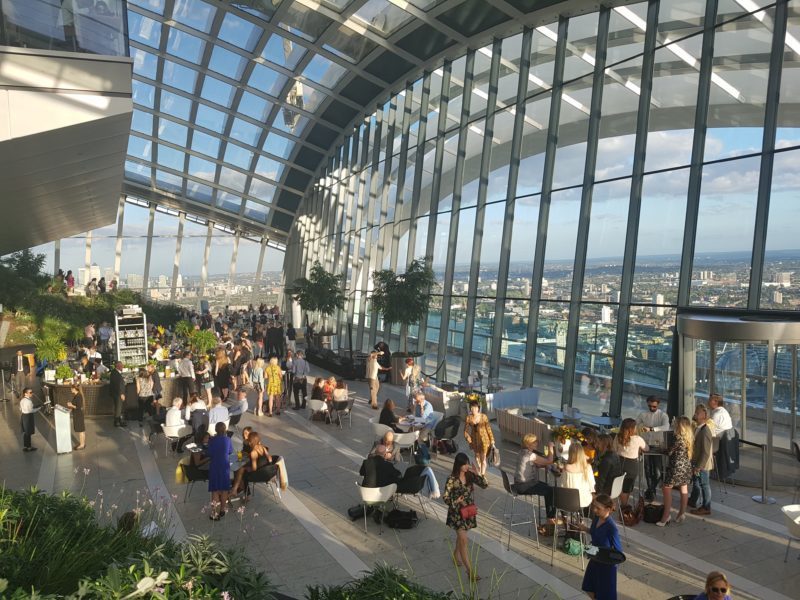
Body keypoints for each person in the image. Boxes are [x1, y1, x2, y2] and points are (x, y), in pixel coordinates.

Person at [443, 452, 488, 582]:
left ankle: (456, 555)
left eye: (467, 463)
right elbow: (445, 497)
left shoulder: (470, 475)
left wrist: (478, 473)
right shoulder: (451, 479)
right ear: (458, 465)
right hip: (456, 513)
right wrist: (456, 500)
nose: (467, 466)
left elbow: (485, 485)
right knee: (464, 540)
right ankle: (470, 572)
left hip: (468, 511)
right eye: (464, 464)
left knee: (461, 538)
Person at [580, 494, 623, 600]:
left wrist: (612, 566)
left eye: (598, 508)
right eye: (594, 506)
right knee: (589, 587)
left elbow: (618, 551)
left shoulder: (611, 528)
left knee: (605, 595)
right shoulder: (596, 519)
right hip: (595, 559)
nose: (594, 510)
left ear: (608, 509)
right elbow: (594, 532)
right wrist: (585, 529)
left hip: (606, 565)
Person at [657, 415, 694, 526]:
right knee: (684, 489)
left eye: (675, 424)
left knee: (666, 488)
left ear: (679, 426)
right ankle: (681, 513)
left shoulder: (678, 438)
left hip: (676, 468)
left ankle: (666, 516)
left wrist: (661, 448)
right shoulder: (689, 438)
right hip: (686, 468)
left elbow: (669, 452)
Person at [512, 433, 556, 522]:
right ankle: (551, 518)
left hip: (518, 483)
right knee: (551, 490)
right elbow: (549, 460)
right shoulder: (531, 455)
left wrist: (543, 465)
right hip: (525, 485)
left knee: (548, 487)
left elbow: (532, 464)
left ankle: (550, 517)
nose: (537, 443)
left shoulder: (521, 451)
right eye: (535, 442)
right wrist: (550, 447)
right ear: (529, 443)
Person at [636, 395, 671, 500]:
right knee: (647, 468)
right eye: (650, 406)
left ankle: (651, 489)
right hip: (646, 443)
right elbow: (635, 423)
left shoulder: (663, 415)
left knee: (657, 471)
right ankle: (651, 491)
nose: (652, 408)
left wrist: (651, 429)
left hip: (657, 444)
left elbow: (666, 427)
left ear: (658, 405)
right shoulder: (643, 414)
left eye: (654, 406)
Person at [231, 430, 280, 497]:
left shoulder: (253, 452)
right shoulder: (263, 447)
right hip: (265, 470)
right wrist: (266, 465)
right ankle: (236, 488)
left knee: (242, 471)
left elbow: (254, 468)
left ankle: (242, 492)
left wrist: (249, 468)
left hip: (258, 474)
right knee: (242, 469)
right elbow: (270, 458)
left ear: (250, 443)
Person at [613, 418, 648, 507]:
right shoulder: (637, 439)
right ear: (633, 428)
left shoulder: (618, 437)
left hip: (619, 462)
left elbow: (614, 449)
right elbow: (647, 448)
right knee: (627, 488)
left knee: (619, 484)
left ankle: (621, 504)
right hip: (631, 465)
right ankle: (624, 506)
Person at [690, 404, 715, 517]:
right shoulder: (697, 427)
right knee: (696, 482)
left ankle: (706, 507)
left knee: (704, 484)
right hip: (696, 461)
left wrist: (699, 466)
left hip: (702, 464)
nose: (695, 413)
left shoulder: (705, 431)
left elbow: (705, 452)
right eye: (696, 411)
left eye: (698, 412)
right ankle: (692, 500)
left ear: (704, 416)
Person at [207, 422, 233, 520]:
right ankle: (222, 509)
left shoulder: (212, 440)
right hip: (225, 466)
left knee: (215, 489)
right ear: (225, 430)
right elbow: (230, 451)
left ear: (216, 430)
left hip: (214, 466)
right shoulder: (228, 440)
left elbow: (209, 453)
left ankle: (214, 513)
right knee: (224, 488)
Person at [464, 400, 494, 476]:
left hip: (484, 440)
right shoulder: (469, 418)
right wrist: (468, 438)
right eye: (471, 407)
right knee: (477, 458)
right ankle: (480, 471)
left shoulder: (484, 417)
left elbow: (488, 429)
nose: (473, 409)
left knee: (483, 458)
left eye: (475, 407)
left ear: (478, 408)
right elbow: (465, 430)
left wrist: (492, 440)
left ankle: (482, 475)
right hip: (475, 441)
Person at [562, 442, 596, 509]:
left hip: (569, 500)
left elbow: (563, 485)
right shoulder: (588, 467)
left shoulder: (567, 467)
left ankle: (564, 516)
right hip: (585, 500)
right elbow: (592, 484)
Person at [20, 388, 41, 452]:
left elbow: (20, 409)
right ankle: (29, 447)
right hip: (28, 417)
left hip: (23, 416)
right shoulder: (28, 401)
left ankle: (26, 446)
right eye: (30, 392)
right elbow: (31, 410)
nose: (32, 393)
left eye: (32, 392)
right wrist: (38, 408)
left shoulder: (22, 400)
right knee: (28, 432)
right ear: (25, 393)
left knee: (26, 432)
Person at [66, 385, 86, 450]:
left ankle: (82, 445)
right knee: (82, 430)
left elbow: (78, 407)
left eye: (72, 388)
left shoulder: (78, 396)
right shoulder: (77, 395)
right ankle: (82, 443)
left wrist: (71, 405)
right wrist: (71, 408)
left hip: (78, 415)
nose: (71, 389)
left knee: (81, 430)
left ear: (75, 389)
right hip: (78, 414)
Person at [110, 361, 126, 427]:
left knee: (118, 407)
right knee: (118, 408)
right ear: (118, 366)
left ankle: (119, 421)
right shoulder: (115, 373)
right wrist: (121, 394)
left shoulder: (115, 372)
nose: (122, 367)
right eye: (121, 366)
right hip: (117, 394)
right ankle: (117, 422)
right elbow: (117, 385)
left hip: (116, 393)